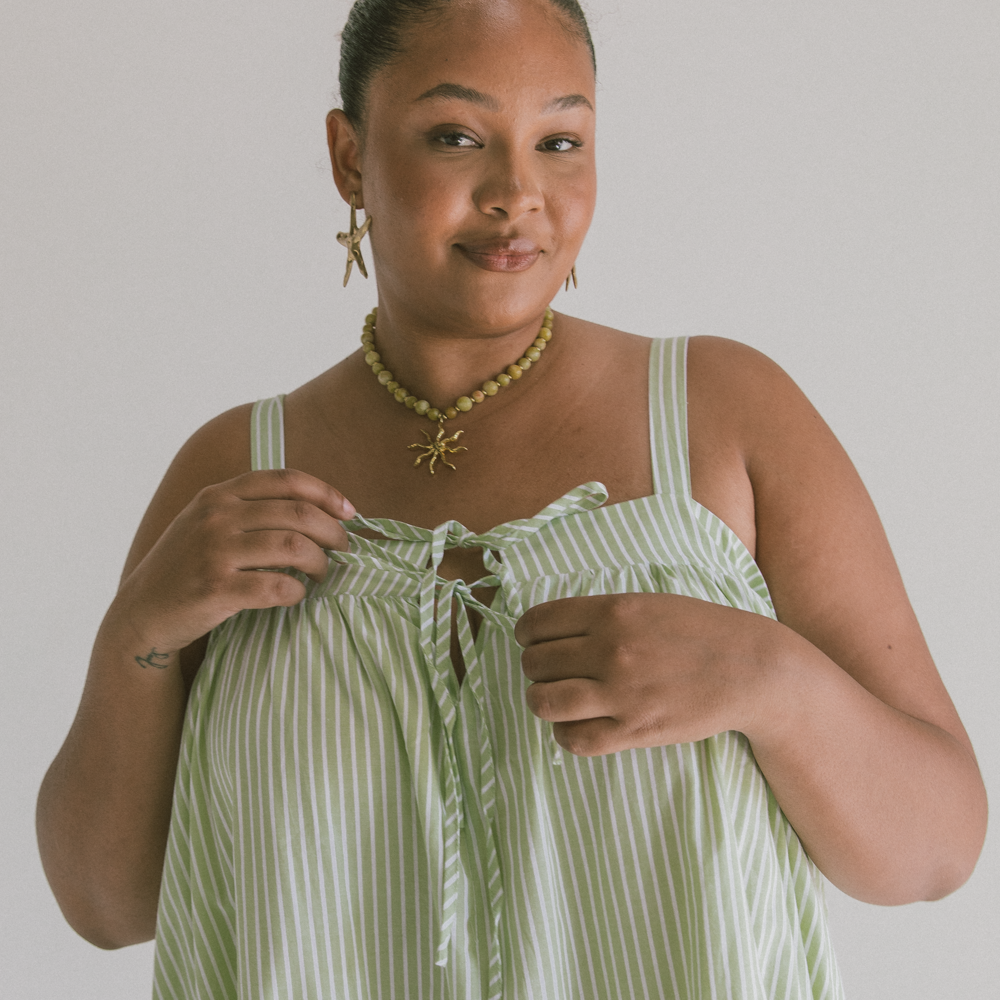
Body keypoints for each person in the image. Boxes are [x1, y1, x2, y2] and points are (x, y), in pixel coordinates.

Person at [36, 1, 987, 997]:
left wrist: (770, 680)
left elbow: (933, 854)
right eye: (456, 136)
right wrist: (135, 636)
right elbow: (107, 905)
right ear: (351, 158)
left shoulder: (722, 416)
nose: (517, 193)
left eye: (559, 141)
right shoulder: (234, 469)